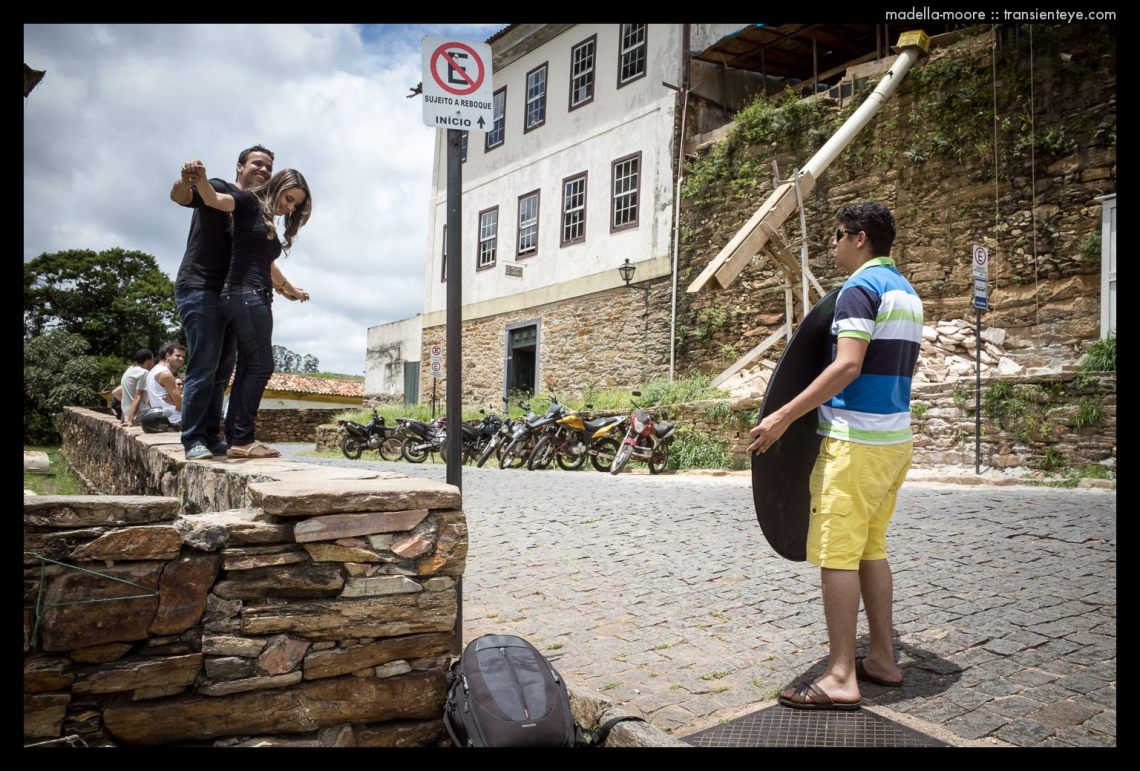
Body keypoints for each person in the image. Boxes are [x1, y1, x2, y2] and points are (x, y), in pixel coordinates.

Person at [748, 202, 923, 711]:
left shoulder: (859, 290)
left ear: (859, 238)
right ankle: (883, 658)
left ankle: (841, 674)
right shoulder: (906, 292)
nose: (834, 245)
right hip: (894, 443)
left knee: (837, 556)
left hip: (854, 445)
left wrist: (782, 417)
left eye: (838, 235)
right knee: (872, 549)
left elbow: (848, 365)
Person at [170, 145, 309, 461]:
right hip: (201, 285)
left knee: (223, 369)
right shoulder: (222, 188)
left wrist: (287, 288)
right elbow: (184, 197)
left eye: (269, 166)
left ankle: (211, 436)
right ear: (239, 166)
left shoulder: (259, 209)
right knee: (205, 364)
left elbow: (260, 258)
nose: (263, 169)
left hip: (232, 291)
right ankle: (193, 438)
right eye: (257, 163)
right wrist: (188, 178)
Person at [144, 340, 187, 428]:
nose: (181, 359)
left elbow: (148, 401)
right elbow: (180, 405)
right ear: (167, 355)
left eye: (183, 357)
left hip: (163, 420)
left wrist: (170, 399)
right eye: (178, 355)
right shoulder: (166, 374)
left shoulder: (153, 371)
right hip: (175, 420)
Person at [119, 348, 154, 427]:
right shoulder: (144, 372)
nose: (153, 362)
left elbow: (125, 396)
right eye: (152, 359)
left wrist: (123, 419)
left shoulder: (129, 369)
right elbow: (137, 397)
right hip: (139, 415)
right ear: (148, 361)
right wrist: (130, 420)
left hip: (128, 415)